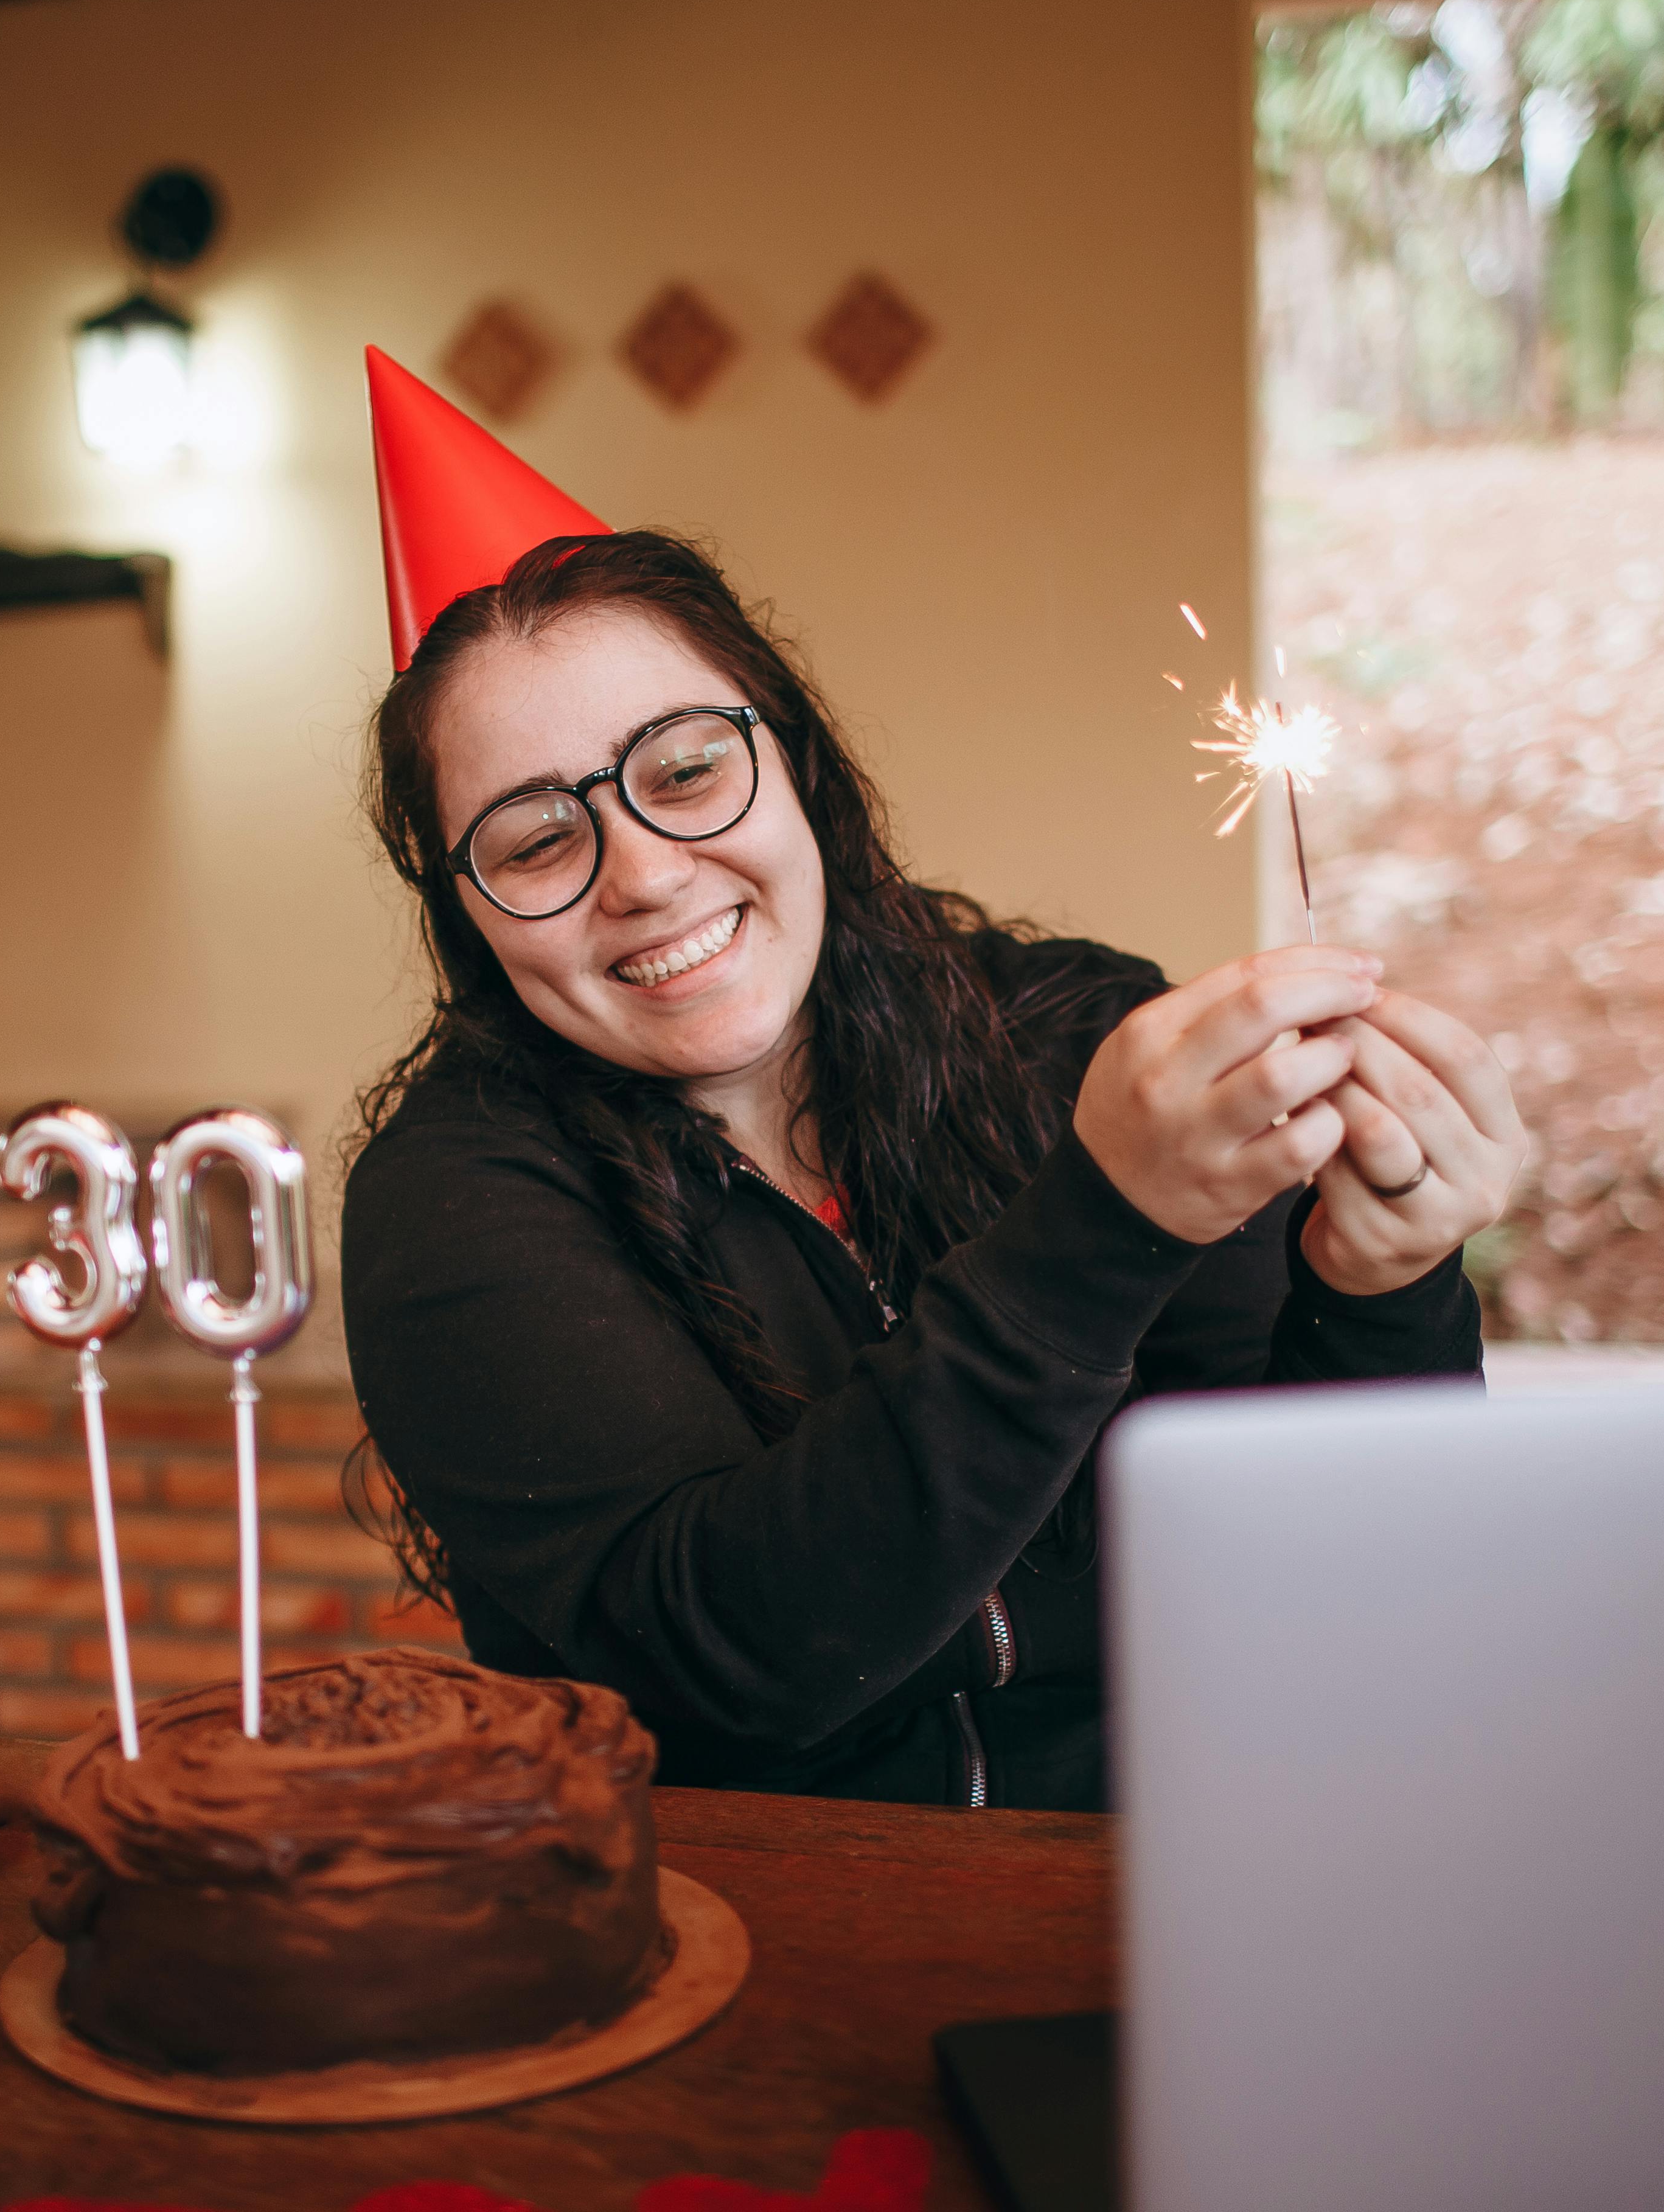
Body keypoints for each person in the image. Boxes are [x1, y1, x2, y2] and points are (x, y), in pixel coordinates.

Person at [338, 352, 1522, 1810]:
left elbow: (1348, 1574)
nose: (642, 875)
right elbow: (734, 1661)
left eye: (688, 771)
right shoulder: (454, 1209)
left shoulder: (1076, 1035)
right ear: (467, 912)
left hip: (1203, 1861)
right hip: (761, 1940)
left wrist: (1387, 1280)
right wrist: (1106, 1223)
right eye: (533, 843)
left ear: (802, 770)